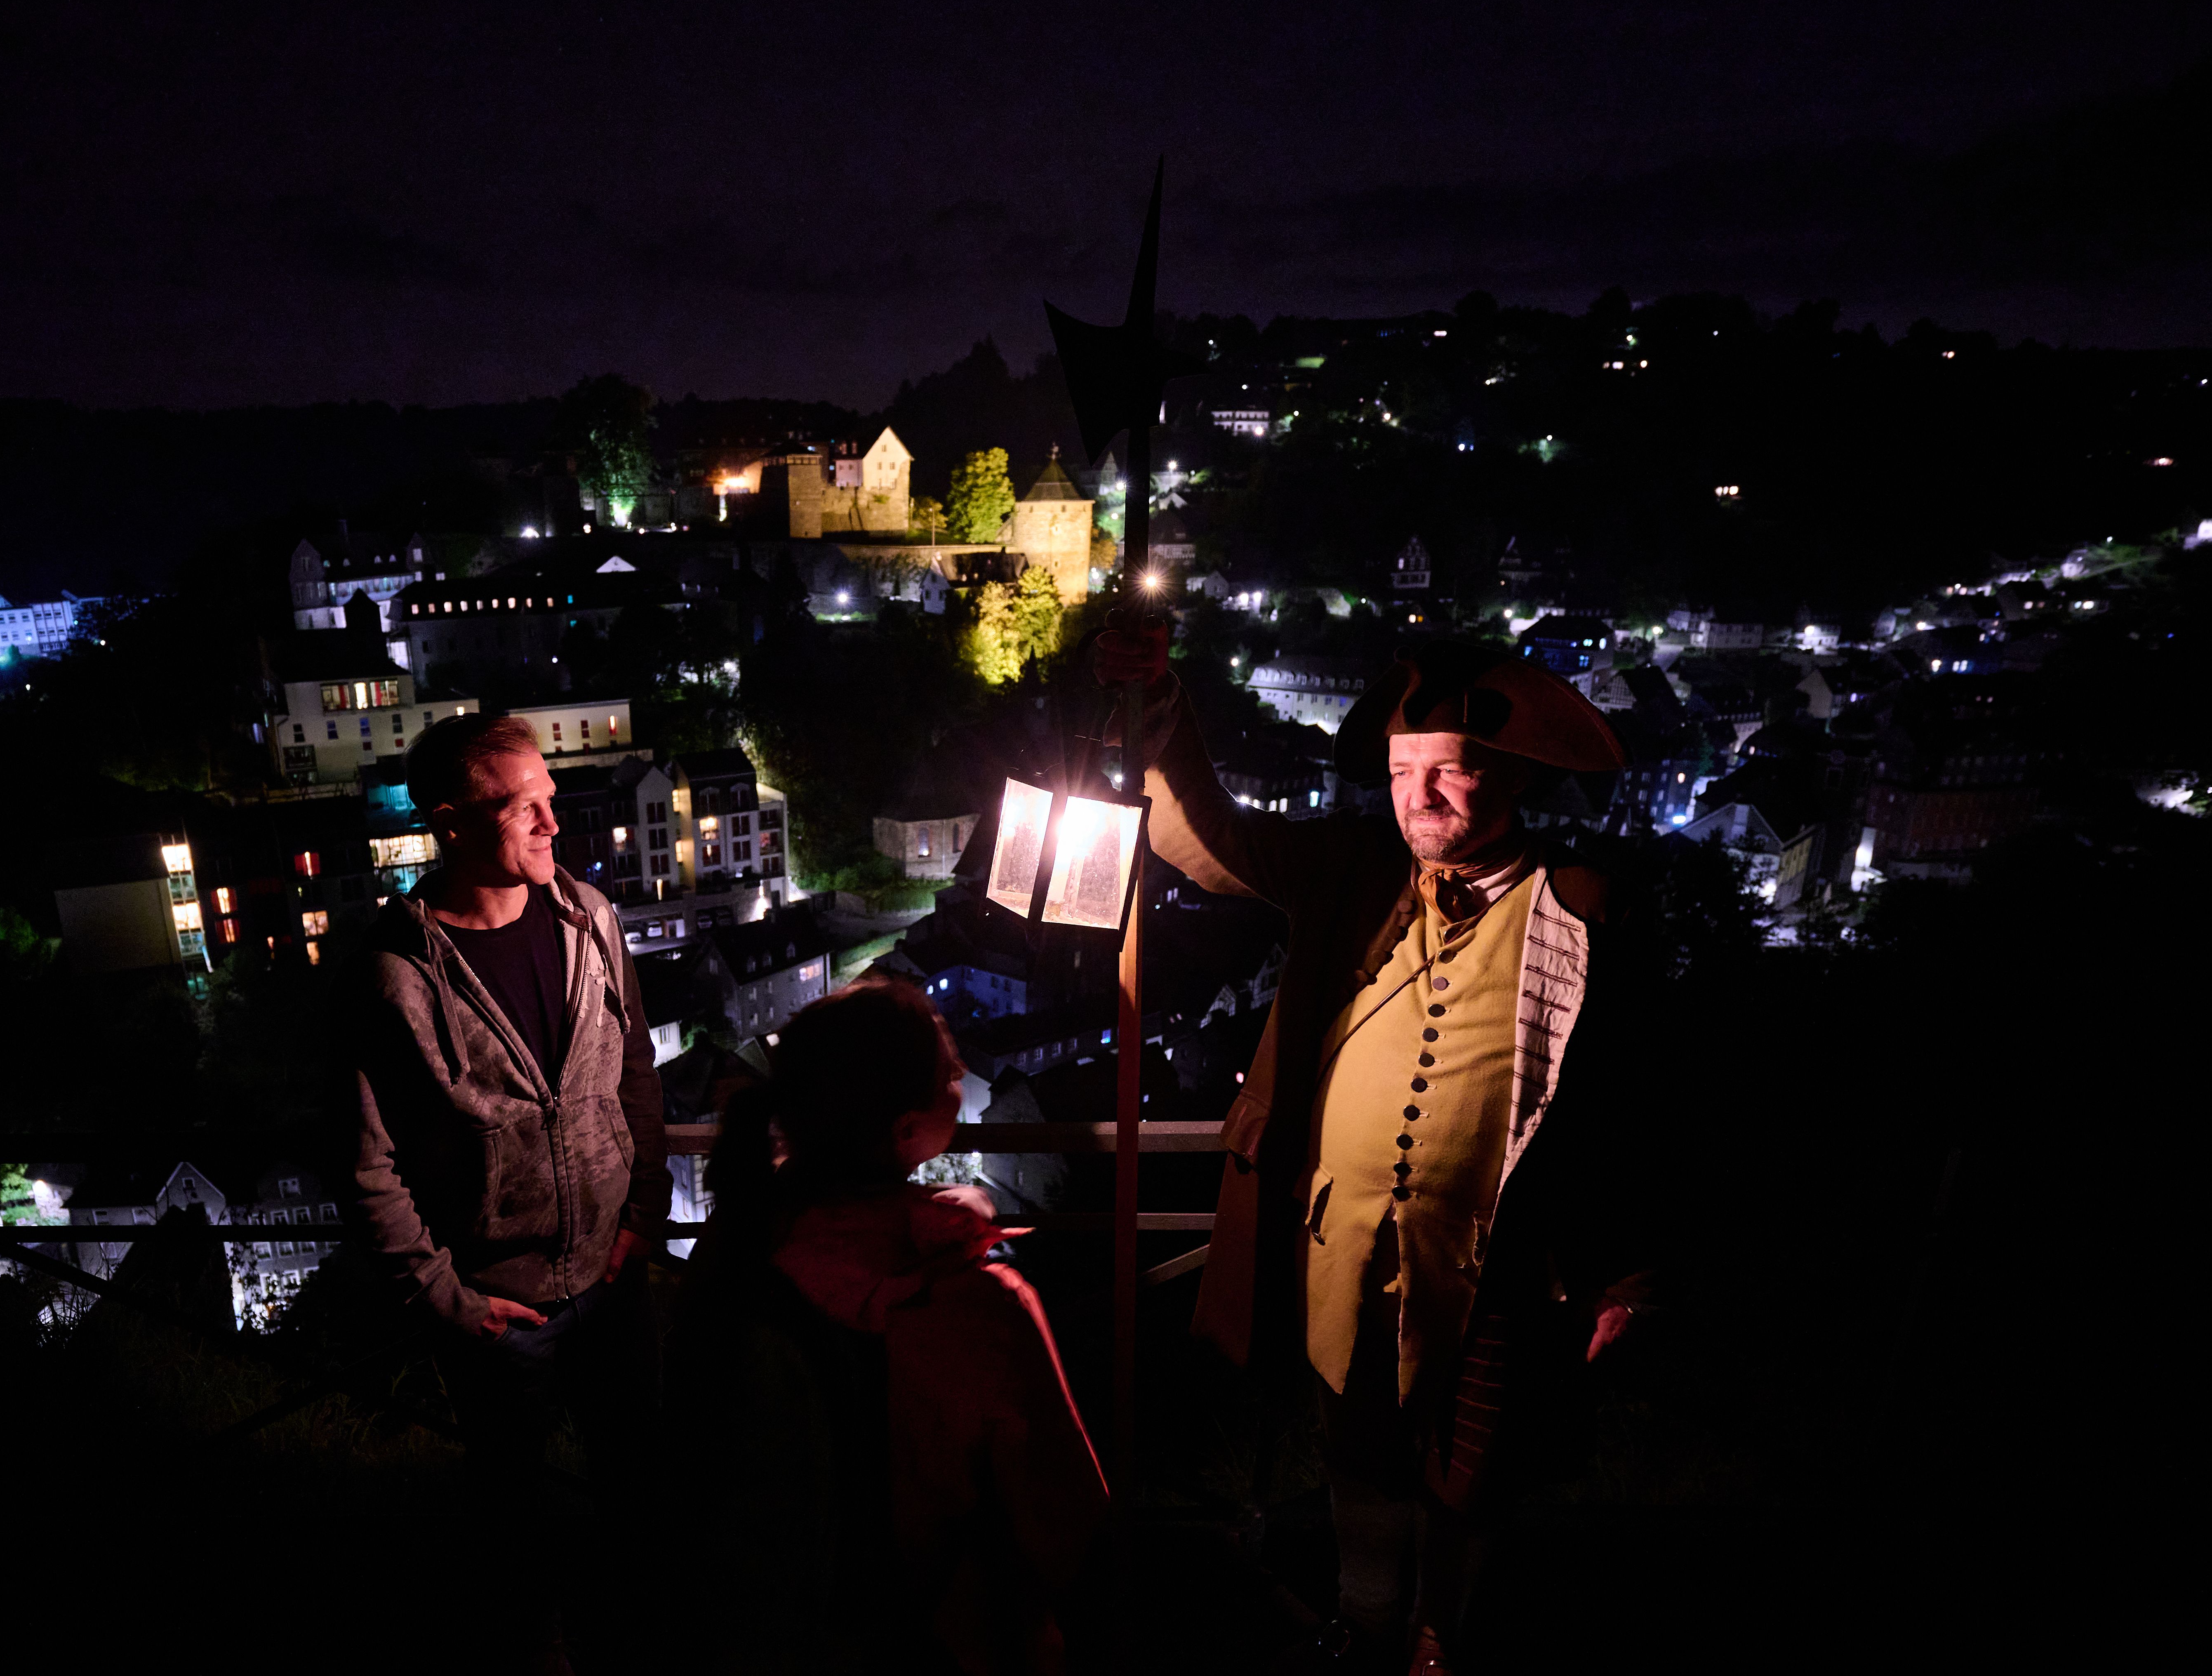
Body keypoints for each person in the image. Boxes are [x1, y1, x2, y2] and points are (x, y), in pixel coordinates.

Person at [1095, 626, 1651, 1674]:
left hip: (1496, 1266)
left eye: (1450, 771)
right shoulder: (1351, 868)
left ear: (1514, 777)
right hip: (1340, 1248)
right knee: (1357, 1456)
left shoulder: (1583, 905)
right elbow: (1211, 839)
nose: (1419, 796)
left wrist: (1623, 1268)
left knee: (1471, 1474)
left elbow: (1631, 1101)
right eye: (1403, 772)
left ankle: (1442, 1636)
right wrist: (1159, 703)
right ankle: (1365, 1619)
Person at [342, 712, 668, 1674]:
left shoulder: (591, 920)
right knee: (515, 1515)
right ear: (449, 822)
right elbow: (366, 1163)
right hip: (498, 1307)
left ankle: (640, 1641)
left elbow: (636, 1073)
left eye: (550, 800)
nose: (552, 824)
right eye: (521, 806)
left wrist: (641, 1217)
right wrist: (447, 1299)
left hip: (614, 1277)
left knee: (638, 1489)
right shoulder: (392, 977)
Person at [680, 978, 1107, 1676]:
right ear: (906, 1130)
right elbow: (1068, 1525)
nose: (964, 1068)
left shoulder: (735, 1246)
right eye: (949, 1069)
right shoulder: (975, 1304)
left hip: (754, 1630)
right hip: (937, 1638)